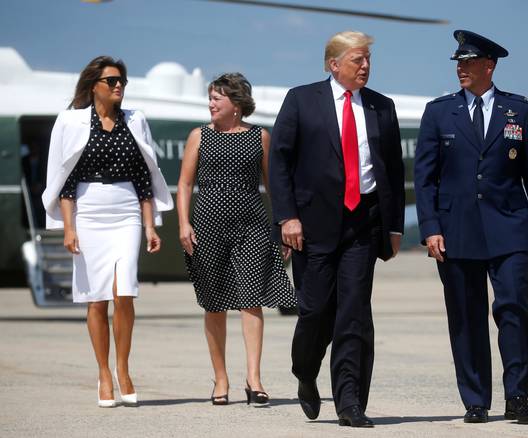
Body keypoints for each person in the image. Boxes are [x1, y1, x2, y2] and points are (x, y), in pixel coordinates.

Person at [414, 30, 528, 424]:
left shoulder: (519, 110)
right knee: (466, 315)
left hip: (508, 227)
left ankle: (517, 398)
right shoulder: (439, 111)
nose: (460, 68)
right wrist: (430, 228)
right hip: (455, 230)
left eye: (468, 63)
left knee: (513, 307)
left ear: (488, 66)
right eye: (458, 63)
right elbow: (424, 179)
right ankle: (476, 400)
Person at [269, 31, 405, 427]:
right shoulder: (301, 100)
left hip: (364, 223)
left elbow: (394, 170)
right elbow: (279, 162)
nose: (365, 67)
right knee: (314, 312)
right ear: (334, 64)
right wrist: (287, 217)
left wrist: (393, 225)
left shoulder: (382, 107)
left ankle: (350, 403)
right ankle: (305, 372)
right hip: (312, 225)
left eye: (367, 61)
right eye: (357, 60)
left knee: (354, 314)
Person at [41, 56, 173, 407]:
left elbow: (145, 175)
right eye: (112, 80)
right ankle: (103, 373)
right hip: (87, 210)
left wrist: (150, 225)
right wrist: (68, 227)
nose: (119, 86)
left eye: (122, 81)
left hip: (127, 209)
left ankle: (123, 368)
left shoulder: (136, 120)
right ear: (94, 86)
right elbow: (64, 179)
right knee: (96, 297)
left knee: (124, 291)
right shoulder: (71, 121)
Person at [177, 73, 295, 406]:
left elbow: (274, 186)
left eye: (217, 98)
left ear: (236, 104)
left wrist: (282, 224)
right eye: (210, 97)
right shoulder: (198, 136)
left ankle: (254, 379)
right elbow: (185, 185)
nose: (211, 103)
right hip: (208, 225)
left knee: (250, 298)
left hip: (252, 225)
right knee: (214, 303)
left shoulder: (260, 137)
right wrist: (184, 224)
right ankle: (221, 378)